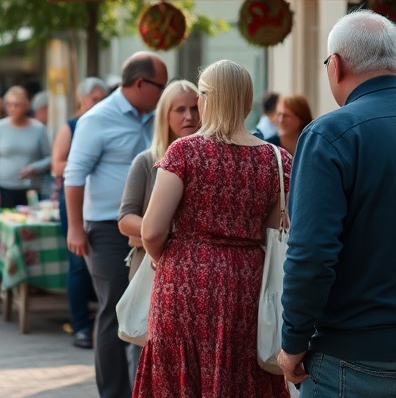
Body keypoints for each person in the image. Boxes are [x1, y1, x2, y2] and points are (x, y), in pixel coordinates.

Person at [278, 11, 396, 395]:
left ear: (336, 65)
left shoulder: (328, 135)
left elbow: (311, 253)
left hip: (355, 357)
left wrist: (292, 341)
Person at [134, 60, 290, 397]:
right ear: (246, 100)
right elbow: (274, 229)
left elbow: (151, 230)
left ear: (208, 99)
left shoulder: (184, 152)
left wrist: (162, 259)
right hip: (246, 283)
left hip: (184, 280)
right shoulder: (277, 159)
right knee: (242, 370)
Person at [64, 52, 166, 398]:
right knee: (114, 309)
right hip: (107, 229)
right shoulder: (98, 118)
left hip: (150, 228)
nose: (163, 93)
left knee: (145, 309)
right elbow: (74, 175)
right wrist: (75, 227)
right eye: (160, 86)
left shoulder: (155, 117)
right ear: (140, 84)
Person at [116, 79, 199, 385]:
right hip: (149, 269)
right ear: (165, 115)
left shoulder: (206, 160)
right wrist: (159, 229)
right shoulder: (147, 161)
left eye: (195, 108)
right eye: (180, 109)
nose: (189, 116)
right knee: (144, 349)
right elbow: (125, 218)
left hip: (194, 275)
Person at [50, 76, 108, 349]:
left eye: (103, 99)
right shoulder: (71, 127)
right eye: (94, 99)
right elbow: (57, 165)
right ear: (82, 100)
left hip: (102, 202)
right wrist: (85, 162)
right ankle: (80, 326)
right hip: (76, 200)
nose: (99, 103)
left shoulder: (108, 125)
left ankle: (102, 324)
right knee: (78, 263)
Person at [0, 86, 51, 208]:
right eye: (9, 105)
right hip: (4, 188)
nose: (12, 109)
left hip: (31, 189)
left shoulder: (38, 129)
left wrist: (34, 167)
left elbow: (49, 158)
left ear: (26, 106)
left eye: (16, 105)